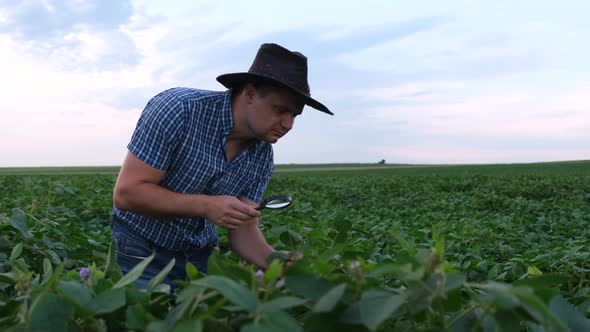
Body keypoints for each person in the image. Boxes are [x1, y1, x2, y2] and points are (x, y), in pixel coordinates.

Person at [110, 43, 333, 289]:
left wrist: (279, 263)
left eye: (294, 115)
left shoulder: (262, 157)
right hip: (142, 246)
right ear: (249, 93)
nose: (288, 124)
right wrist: (206, 205)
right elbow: (128, 193)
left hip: (201, 252)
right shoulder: (179, 109)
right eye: (280, 110)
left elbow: (244, 230)